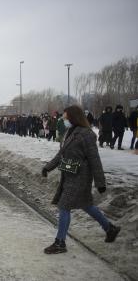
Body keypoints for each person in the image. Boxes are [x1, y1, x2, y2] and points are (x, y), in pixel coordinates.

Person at [41, 105, 120, 254]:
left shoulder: (86, 135)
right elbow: (61, 155)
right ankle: (110, 228)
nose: (64, 120)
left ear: (73, 117)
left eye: (65, 118)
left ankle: (60, 243)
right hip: (69, 174)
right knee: (86, 205)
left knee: (64, 206)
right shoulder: (69, 132)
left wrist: (100, 182)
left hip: (81, 177)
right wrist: (47, 167)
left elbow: (94, 159)